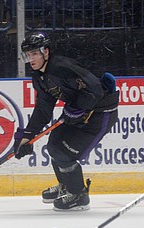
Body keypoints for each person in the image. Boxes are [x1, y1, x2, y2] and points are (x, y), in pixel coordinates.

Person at [13, 32, 119, 211]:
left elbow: (95, 89)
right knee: (54, 143)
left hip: (100, 114)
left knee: (64, 153)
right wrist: (27, 136)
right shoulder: (39, 77)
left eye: (34, 54)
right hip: (79, 112)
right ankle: (66, 185)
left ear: (45, 52)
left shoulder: (62, 67)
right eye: (28, 55)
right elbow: (43, 110)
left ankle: (79, 195)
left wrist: (77, 107)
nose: (31, 59)